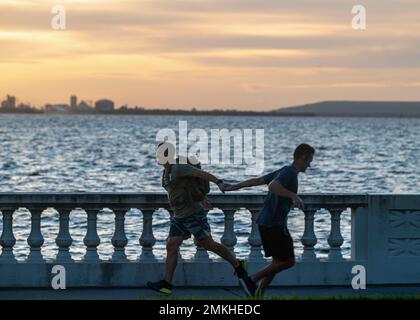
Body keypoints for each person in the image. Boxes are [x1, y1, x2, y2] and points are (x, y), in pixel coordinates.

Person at [147, 142, 252, 295]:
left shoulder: (178, 167)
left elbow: (200, 174)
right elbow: (185, 186)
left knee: (208, 244)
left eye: (161, 153)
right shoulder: (167, 171)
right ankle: (166, 284)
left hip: (193, 215)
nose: (158, 156)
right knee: (172, 245)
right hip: (179, 216)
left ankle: (238, 265)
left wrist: (219, 182)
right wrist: (201, 196)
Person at [223, 144, 315, 297]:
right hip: (273, 223)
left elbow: (256, 181)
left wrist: (233, 187)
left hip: (267, 222)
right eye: (309, 161)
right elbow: (272, 186)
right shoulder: (289, 173)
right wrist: (293, 196)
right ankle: (251, 280)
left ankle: (258, 293)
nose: (310, 164)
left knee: (277, 262)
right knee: (288, 261)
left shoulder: (285, 170)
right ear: (302, 158)